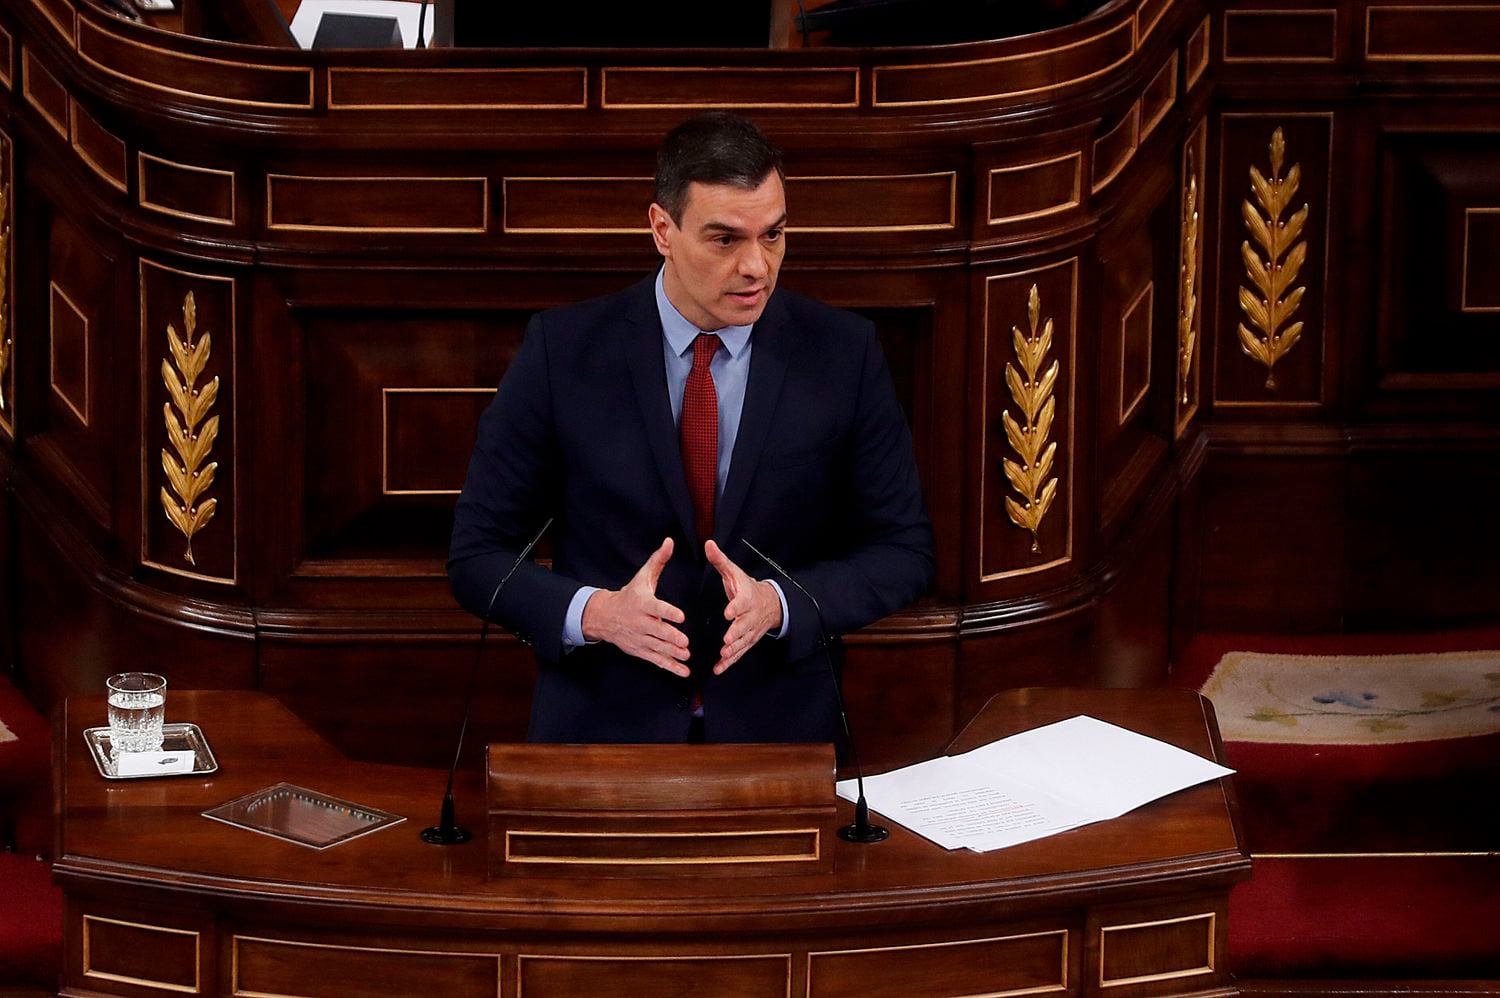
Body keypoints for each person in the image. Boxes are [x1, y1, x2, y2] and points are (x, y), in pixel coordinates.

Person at [448, 112, 933, 746]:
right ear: (662, 230)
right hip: (603, 733)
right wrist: (597, 615)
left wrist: (781, 605)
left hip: (781, 735)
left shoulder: (844, 354)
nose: (757, 266)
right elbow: (476, 557)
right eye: (725, 240)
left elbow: (904, 551)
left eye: (775, 235)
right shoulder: (561, 352)